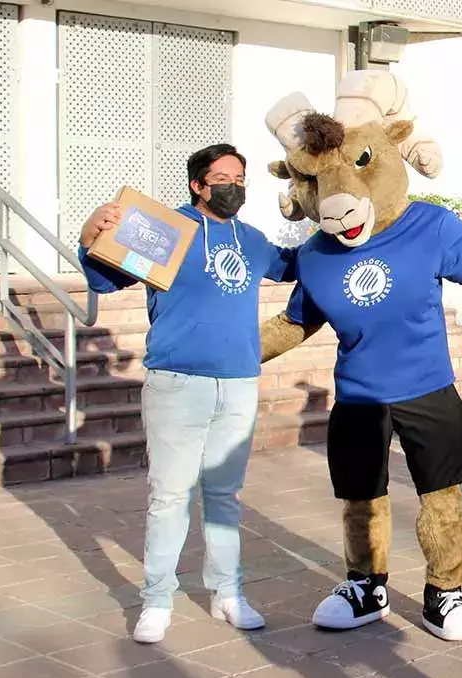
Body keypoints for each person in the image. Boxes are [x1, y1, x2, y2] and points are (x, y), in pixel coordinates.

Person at [77, 143, 300, 644]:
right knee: (170, 496)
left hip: (239, 382)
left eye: (240, 178)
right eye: (222, 178)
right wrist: (93, 228)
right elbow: (101, 276)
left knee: (224, 495)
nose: (234, 186)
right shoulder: (167, 231)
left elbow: (293, 267)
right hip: (178, 383)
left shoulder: (252, 239)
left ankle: (228, 594)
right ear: (198, 185)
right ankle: (157, 599)